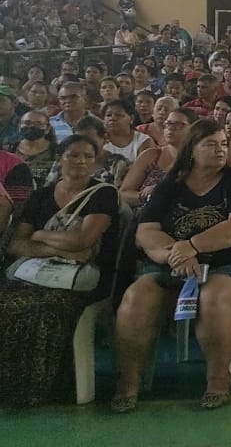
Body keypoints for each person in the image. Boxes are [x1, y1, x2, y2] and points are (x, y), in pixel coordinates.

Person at [110, 120, 231, 412]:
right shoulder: (171, 185)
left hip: (225, 265)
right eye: (210, 144)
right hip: (171, 264)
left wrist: (193, 245)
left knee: (213, 298)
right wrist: (176, 254)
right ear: (192, 149)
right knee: (136, 298)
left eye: (223, 144)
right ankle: (128, 381)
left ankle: (218, 380)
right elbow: (146, 231)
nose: (220, 150)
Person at [0, 136, 120, 407]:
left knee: (45, 308)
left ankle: (43, 387)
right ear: (59, 157)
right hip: (36, 274)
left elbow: (84, 242)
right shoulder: (41, 196)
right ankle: (8, 384)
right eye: (73, 155)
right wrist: (57, 247)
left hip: (85, 279)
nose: (80, 162)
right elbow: (17, 243)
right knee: (6, 304)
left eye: (88, 157)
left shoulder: (103, 194)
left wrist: (40, 236)